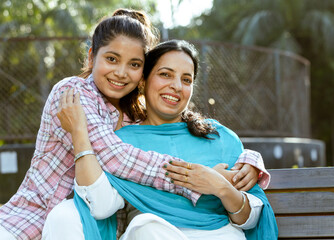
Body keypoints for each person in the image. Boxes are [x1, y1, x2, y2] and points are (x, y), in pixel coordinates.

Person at [0, 9, 269, 240]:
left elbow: (178, 134)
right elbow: (116, 157)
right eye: (112, 59)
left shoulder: (132, 116)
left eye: (134, 64)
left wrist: (249, 158)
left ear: (141, 73)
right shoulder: (73, 93)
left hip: (93, 225)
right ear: (92, 56)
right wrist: (198, 178)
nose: (120, 72)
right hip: (28, 221)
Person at [55, 40, 277, 240]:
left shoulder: (219, 137)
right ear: (143, 81)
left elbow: (252, 218)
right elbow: (101, 203)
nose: (177, 86)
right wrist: (79, 134)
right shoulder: (121, 144)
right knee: (144, 226)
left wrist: (220, 187)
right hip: (152, 235)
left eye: (186, 79)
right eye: (165, 74)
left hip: (219, 235)